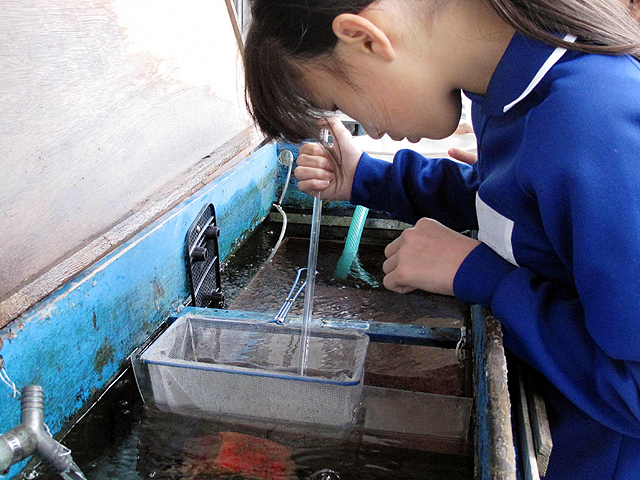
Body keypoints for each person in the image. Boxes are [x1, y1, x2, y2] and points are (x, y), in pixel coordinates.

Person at [243, 0, 640, 479]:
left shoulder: (589, 120)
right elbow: (523, 210)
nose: (367, 128)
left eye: (344, 106)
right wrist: (369, 178)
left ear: (365, 38)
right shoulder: (504, 90)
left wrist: (479, 275)